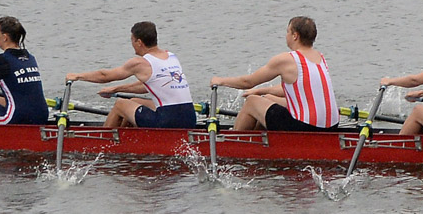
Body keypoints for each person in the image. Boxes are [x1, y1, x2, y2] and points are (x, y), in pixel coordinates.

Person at [210, 15, 338, 131]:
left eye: (287, 31)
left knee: (252, 102)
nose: (286, 35)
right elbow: (297, 89)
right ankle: (262, 140)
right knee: (268, 99)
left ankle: (234, 143)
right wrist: (261, 91)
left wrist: (220, 81)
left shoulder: (287, 59)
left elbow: (248, 82)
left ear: (295, 36)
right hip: (331, 127)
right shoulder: (320, 58)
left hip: (306, 128)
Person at [67, 21, 195, 130]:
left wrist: (78, 76)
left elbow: (105, 76)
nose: (132, 44)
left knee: (120, 105)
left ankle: (103, 142)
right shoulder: (171, 56)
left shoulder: (140, 62)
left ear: (139, 42)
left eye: (132, 40)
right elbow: (153, 85)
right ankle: (128, 137)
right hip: (190, 118)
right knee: (134, 101)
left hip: (167, 122)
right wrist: (117, 89)